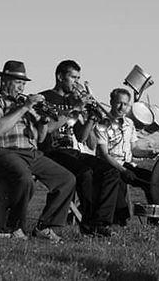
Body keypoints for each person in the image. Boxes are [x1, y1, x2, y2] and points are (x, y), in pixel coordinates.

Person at [0, 60, 76, 243]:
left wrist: (43, 121)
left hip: (30, 152)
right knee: (24, 178)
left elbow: (39, 137)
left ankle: (46, 227)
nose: (21, 87)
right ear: (4, 80)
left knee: (66, 179)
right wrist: (24, 107)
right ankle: (15, 227)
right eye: (18, 82)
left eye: (23, 83)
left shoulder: (25, 103)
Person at [38, 60, 120, 237]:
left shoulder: (73, 100)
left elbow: (81, 137)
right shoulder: (44, 98)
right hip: (50, 151)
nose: (76, 83)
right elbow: (48, 128)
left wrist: (91, 116)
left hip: (72, 151)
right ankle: (89, 225)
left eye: (78, 78)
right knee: (84, 173)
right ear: (60, 77)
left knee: (110, 171)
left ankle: (101, 222)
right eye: (73, 77)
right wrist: (74, 109)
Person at [95, 87, 153, 225]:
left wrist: (148, 153)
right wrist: (124, 171)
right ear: (111, 102)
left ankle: (154, 219)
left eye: (126, 104)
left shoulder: (129, 123)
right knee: (118, 182)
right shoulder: (102, 124)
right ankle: (118, 220)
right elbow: (103, 154)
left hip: (127, 164)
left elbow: (134, 149)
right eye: (119, 103)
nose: (122, 107)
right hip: (111, 166)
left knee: (152, 180)